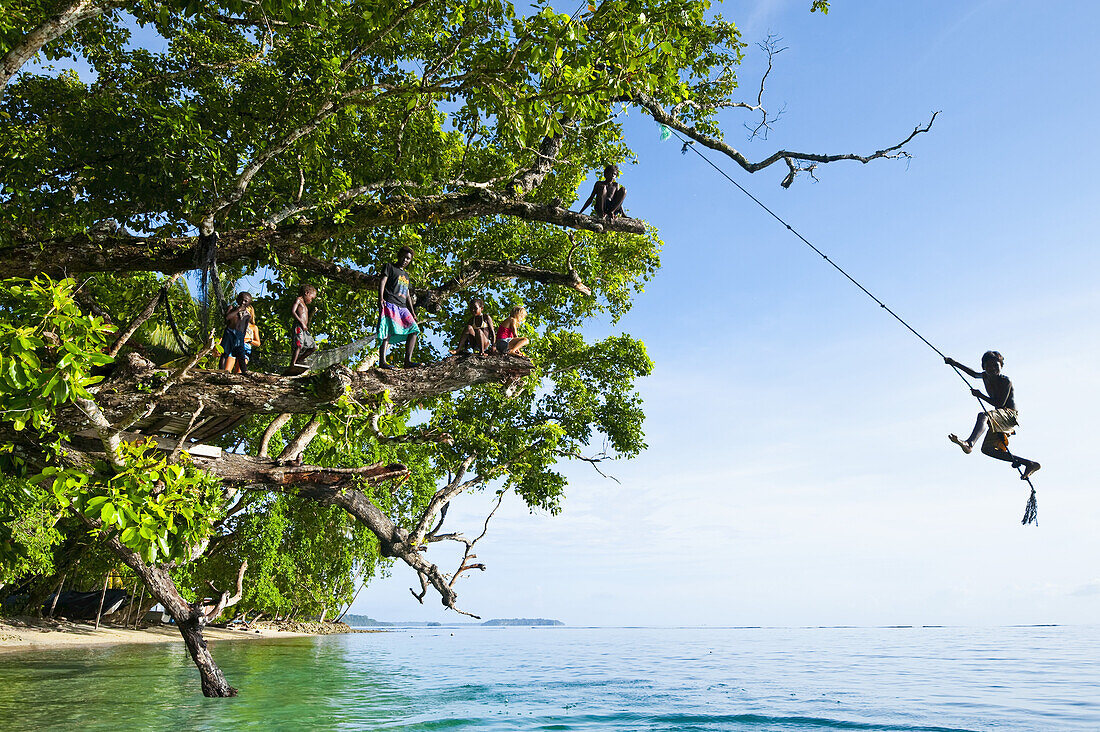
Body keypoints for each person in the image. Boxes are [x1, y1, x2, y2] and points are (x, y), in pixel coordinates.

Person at [945, 351, 1040, 479]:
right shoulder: (985, 376)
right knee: (987, 449)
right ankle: (1029, 463)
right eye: (989, 366)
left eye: (996, 365)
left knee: (983, 415)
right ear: (984, 367)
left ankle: (969, 443)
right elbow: (973, 374)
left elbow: (1000, 404)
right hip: (999, 416)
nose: (993, 369)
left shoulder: (1006, 381)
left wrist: (980, 395)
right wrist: (954, 363)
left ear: (1001, 366)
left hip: (1009, 415)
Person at [377, 246, 421, 368]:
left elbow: (407, 294)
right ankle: (382, 361)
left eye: (408, 259)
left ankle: (408, 360)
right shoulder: (389, 267)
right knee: (387, 330)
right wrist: (380, 298)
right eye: (404, 257)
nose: (405, 260)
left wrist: (412, 311)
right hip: (390, 303)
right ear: (398, 255)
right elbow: (382, 281)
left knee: (414, 329)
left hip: (402, 307)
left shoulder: (406, 275)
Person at [219, 292, 253, 372]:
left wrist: (242, 337)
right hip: (229, 333)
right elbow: (227, 318)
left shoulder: (247, 315)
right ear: (237, 300)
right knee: (225, 353)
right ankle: (221, 372)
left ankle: (245, 372)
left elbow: (244, 328)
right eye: (241, 300)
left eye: (245, 301)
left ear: (249, 303)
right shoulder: (232, 308)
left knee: (241, 355)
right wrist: (238, 310)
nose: (243, 302)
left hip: (239, 336)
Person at [289, 284, 317, 367]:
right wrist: (301, 322)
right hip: (299, 326)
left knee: (314, 347)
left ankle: (299, 359)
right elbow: (293, 312)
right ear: (307, 293)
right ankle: (293, 363)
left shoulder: (305, 305)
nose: (311, 301)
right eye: (311, 298)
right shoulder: (298, 300)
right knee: (299, 345)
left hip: (304, 329)